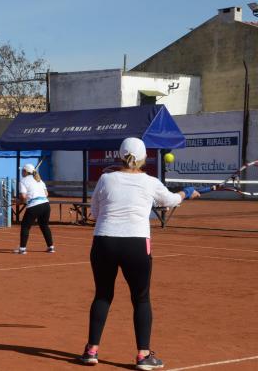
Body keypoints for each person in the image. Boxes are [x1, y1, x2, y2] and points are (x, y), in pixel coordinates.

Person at [80, 138, 199, 370]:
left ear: (120, 155)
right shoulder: (150, 182)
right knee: (141, 298)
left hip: (104, 242)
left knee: (103, 295)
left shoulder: (105, 179)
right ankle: (143, 356)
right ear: (144, 158)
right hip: (136, 245)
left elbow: (94, 212)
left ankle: (91, 350)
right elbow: (172, 200)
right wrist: (186, 192)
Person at [15, 163, 54, 254]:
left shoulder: (23, 181)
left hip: (34, 206)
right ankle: (51, 247)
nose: (21, 172)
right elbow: (46, 194)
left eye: (22, 171)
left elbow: (23, 197)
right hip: (46, 205)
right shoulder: (39, 180)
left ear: (25, 171)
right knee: (44, 225)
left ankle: (22, 249)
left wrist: (19, 202)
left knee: (25, 226)